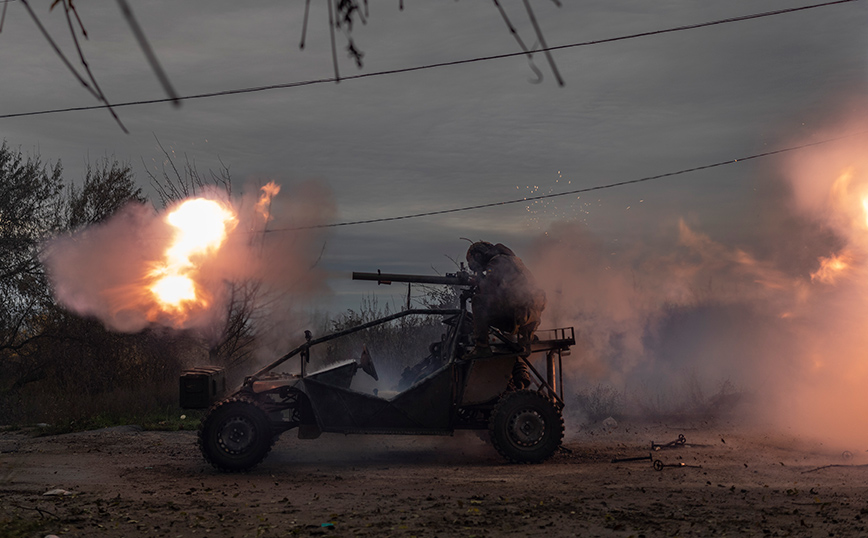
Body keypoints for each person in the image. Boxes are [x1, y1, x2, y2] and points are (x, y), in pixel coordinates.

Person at [465, 242, 546, 371]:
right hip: (531, 318)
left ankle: (482, 347)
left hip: (518, 315)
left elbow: (490, 290)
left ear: (478, 255)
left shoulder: (496, 262)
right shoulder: (515, 260)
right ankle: (526, 339)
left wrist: (479, 282)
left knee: (478, 302)